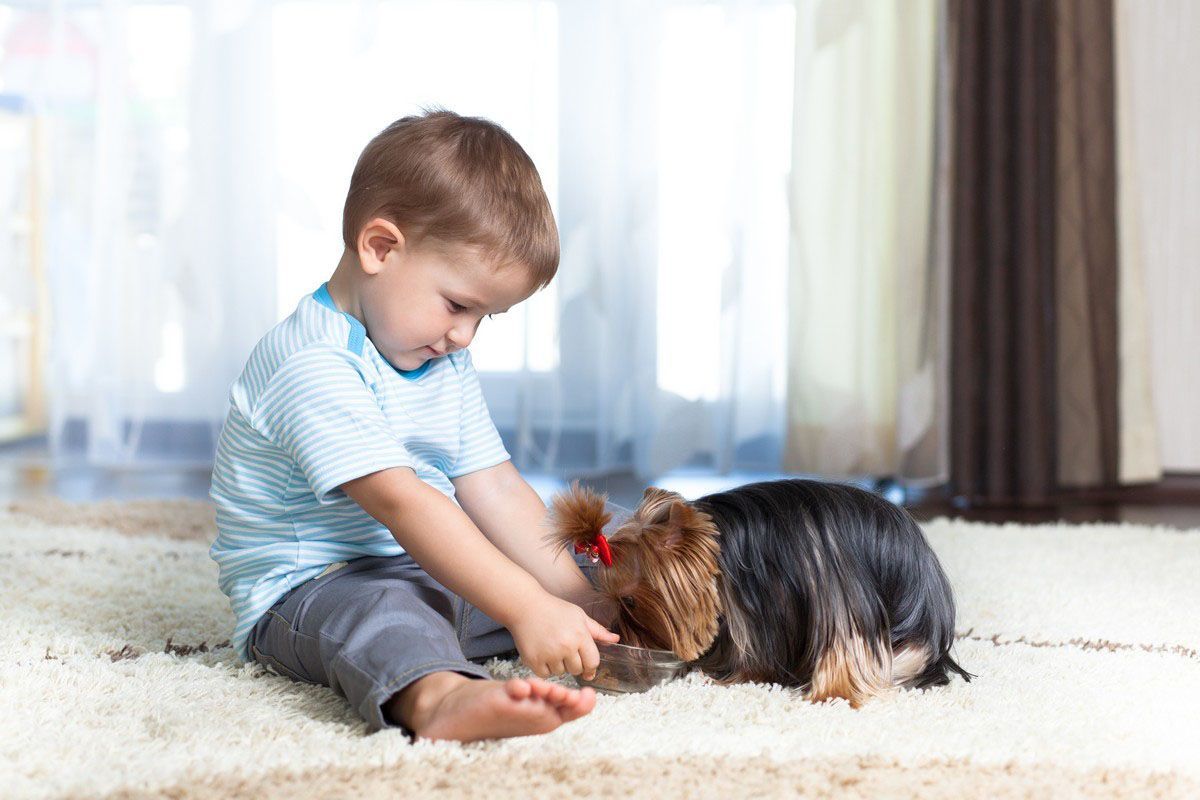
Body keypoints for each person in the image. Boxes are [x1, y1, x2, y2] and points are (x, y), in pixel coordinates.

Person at [208, 109, 623, 743]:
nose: (464, 335)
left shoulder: (438, 354)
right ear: (379, 248)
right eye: (458, 305)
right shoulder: (310, 362)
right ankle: (438, 698)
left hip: (426, 568)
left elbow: (495, 488)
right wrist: (524, 606)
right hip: (313, 590)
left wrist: (575, 601)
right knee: (388, 619)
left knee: (577, 584)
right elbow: (404, 503)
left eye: (485, 318)